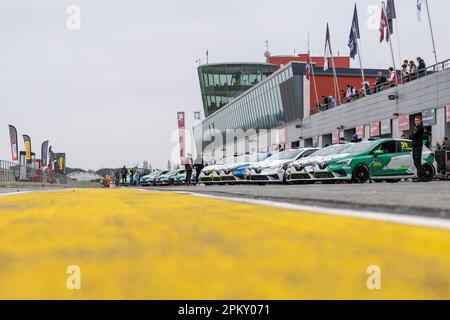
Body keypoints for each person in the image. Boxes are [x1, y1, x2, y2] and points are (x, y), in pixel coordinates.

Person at [410, 116, 425, 182]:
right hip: (414, 146)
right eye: (415, 120)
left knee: (417, 162)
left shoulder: (420, 128)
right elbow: (410, 136)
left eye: (417, 120)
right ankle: (420, 176)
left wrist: (412, 135)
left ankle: (420, 177)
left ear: (420, 121)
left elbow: (414, 136)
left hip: (418, 147)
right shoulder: (415, 128)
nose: (416, 121)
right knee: (415, 162)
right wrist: (412, 135)